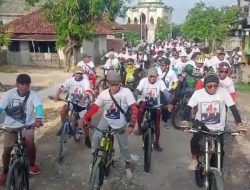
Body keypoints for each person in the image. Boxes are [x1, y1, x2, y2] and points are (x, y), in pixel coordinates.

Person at [180, 73, 247, 170]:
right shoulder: (198, 93)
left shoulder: (223, 92)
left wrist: (239, 124)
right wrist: (185, 121)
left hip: (219, 127)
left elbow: (233, 109)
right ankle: (194, 159)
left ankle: (216, 175)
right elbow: (188, 108)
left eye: (215, 85)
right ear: (205, 86)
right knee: (195, 139)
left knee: (220, 150)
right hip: (202, 124)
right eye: (209, 86)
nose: (213, 88)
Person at [80, 71, 138, 180]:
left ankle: (127, 166)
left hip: (121, 124)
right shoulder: (104, 93)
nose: (114, 87)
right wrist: (85, 118)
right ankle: (95, 161)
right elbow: (95, 107)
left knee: (124, 146)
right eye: (112, 85)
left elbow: (134, 108)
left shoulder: (126, 92)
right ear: (108, 84)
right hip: (106, 120)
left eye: (117, 84)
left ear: (120, 83)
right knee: (96, 138)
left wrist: (131, 125)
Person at [0, 74, 43, 186]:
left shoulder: (33, 95)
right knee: (7, 150)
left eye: (26, 84)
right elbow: (1, 107)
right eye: (21, 84)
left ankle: (32, 165)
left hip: (27, 125)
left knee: (30, 144)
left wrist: (39, 119)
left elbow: (38, 106)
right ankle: (5, 171)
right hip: (10, 126)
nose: (24, 87)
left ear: (29, 85)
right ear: (17, 84)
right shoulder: (9, 94)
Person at [134, 68, 172, 151]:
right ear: (148, 76)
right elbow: (137, 90)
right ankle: (139, 127)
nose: (152, 78)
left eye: (154, 76)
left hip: (155, 104)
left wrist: (169, 103)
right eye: (150, 76)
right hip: (144, 102)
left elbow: (166, 93)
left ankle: (157, 143)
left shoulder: (160, 82)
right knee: (140, 111)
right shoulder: (143, 81)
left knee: (157, 125)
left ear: (157, 76)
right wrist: (135, 96)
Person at [53, 67, 92, 148]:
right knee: (63, 110)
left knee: (85, 124)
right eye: (77, 73)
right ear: (74, 73)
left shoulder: (85, 81)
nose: (78, 75)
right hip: (72, 102)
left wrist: (83, 99)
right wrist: (56, 96)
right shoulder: (70, 80)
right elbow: (61, 88)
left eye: (80, 73)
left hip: (83, 105)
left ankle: (87, 138)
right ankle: (64, 126)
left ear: (82, 74)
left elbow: (88, 92)